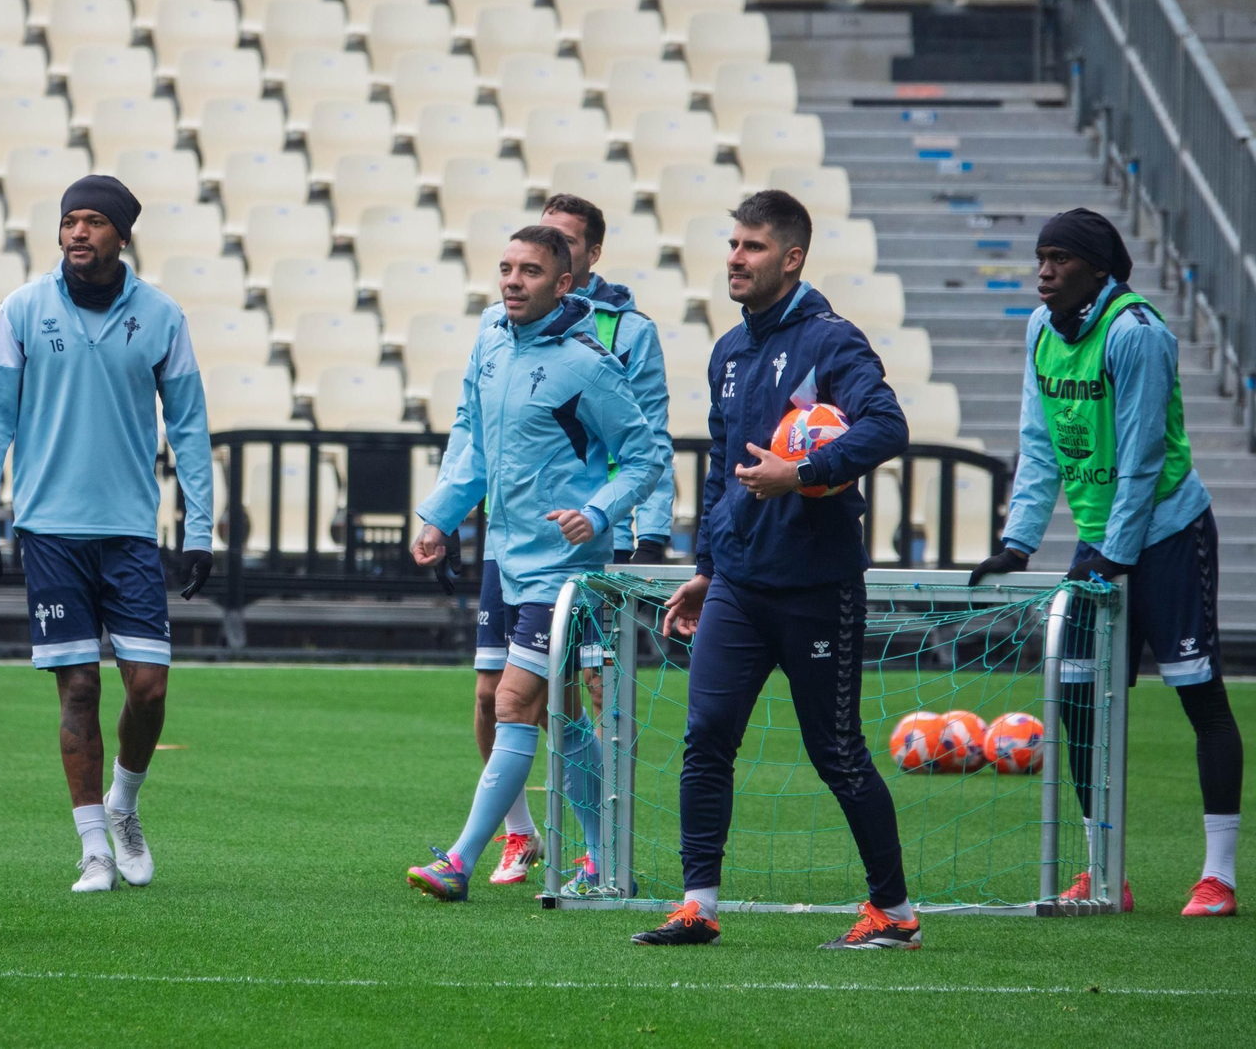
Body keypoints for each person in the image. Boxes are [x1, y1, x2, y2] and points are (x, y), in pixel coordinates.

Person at [635, 191, 918, 949]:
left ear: (791, 258)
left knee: (837, 753)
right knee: (706, 736)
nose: (735, 258)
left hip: (818, 588)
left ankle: (893, 912)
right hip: (737, 585)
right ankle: (697, 905)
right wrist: (703, 568)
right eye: (732, 244)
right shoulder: (729, 351)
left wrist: (805, 472)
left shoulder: (832, 342)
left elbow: (889, 426)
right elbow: (724, 474)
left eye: (752, 247)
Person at [968, 207, 1241, 917]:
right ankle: (1102, 871)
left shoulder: (1135, 333)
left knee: (1199, 695)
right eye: (1040, 257)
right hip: (1105, 542)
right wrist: (1019, 539)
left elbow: (1145, 456)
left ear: (1097, 269)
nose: (1044, 271)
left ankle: (1219, 876)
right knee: (1080, 702)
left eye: (1059, 259)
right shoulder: (1040, 331)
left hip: (1169, 535)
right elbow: (1039, 438)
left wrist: (1113, 554)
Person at [0, 176, 215, 893]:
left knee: (150, 690)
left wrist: (200, 529)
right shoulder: (20, 309)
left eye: (94, 222)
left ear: (122, 235)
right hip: (50, 533)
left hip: (131, 533)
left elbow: (190, 429)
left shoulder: (164, 316)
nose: (78, 233)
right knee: (78, 689)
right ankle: (94, 850)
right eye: (69, 220)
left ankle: (124, 806)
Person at [405, 226, 667, 902]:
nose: (513, 281)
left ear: (564, 284)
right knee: (564, 719)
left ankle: (460, 861)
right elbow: (476, 447)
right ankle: (604, 856)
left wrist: (601, 513)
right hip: (510, 559)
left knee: (514, 701)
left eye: (529, 271)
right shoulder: (492, 340)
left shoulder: (586, 364)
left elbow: (644, 456)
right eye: (506, 268)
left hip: (566, 570)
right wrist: (440, 514)